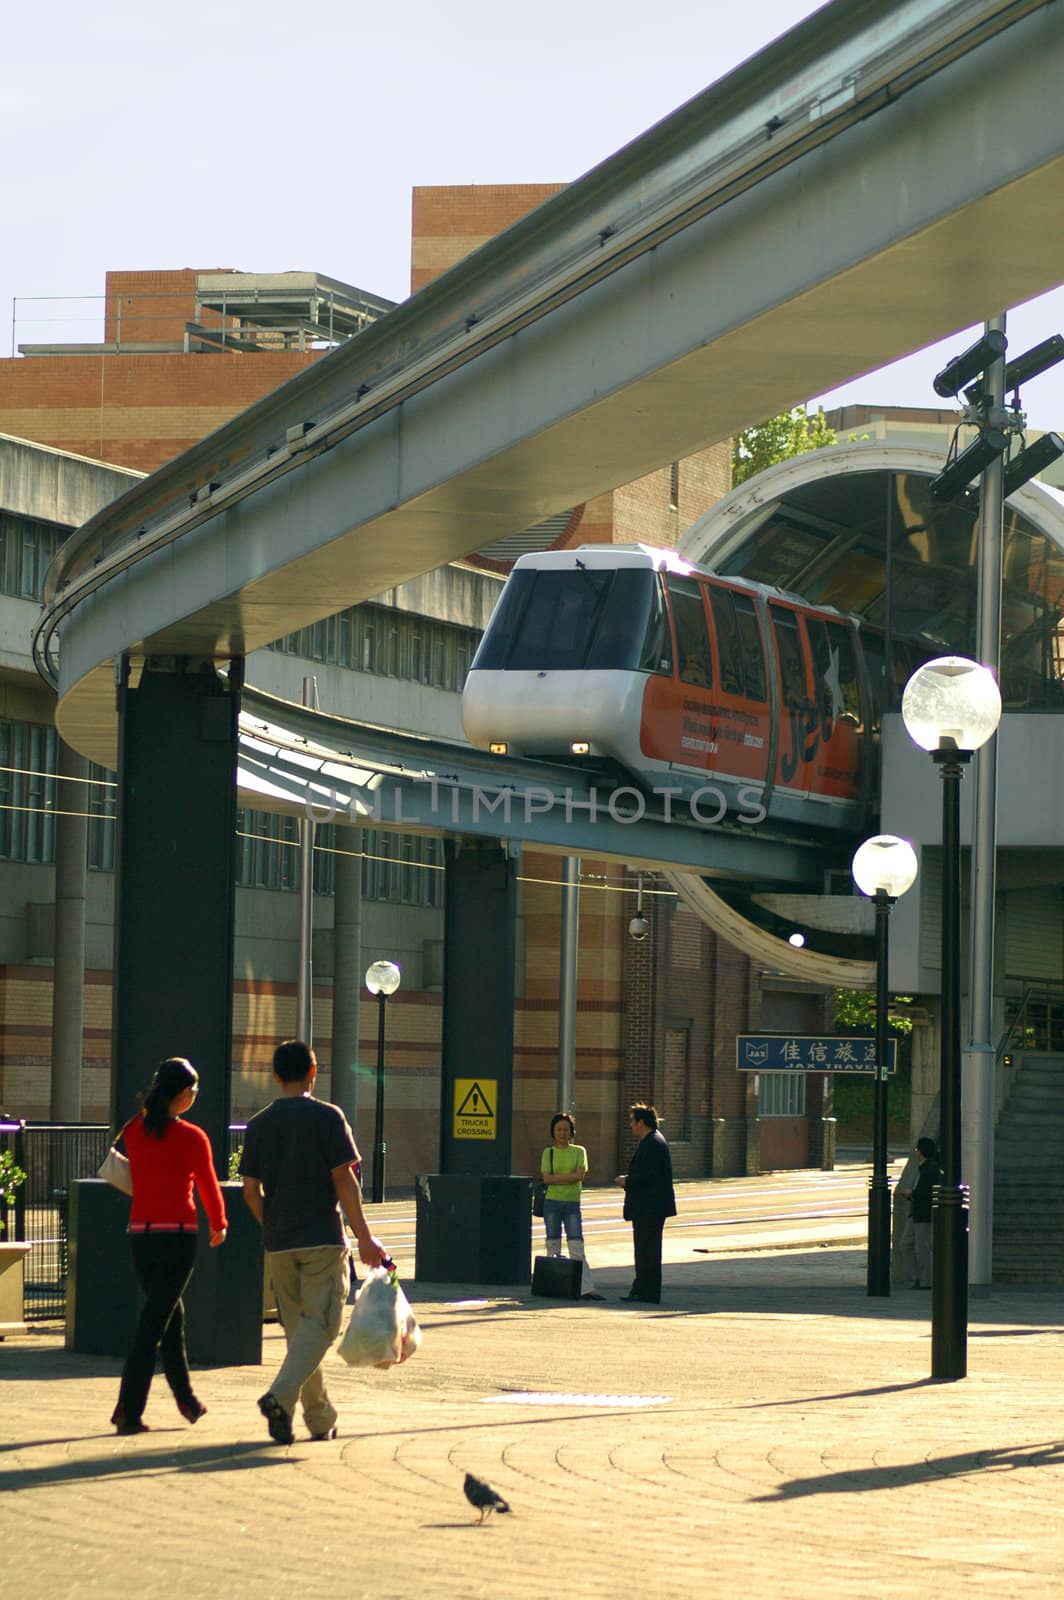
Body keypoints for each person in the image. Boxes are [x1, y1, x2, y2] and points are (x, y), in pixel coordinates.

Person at [240, 1039, 387, 1445]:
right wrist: (365, 1238)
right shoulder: (328, 1117)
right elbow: (345, 1179)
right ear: (314, 1072)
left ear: (274, 1075)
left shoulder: (259, 1124)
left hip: (279, 1242)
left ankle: (317, 1419)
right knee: (321, 1327)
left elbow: (250, 1191)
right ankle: (278, 1396)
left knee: (299, 1334)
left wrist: (269, 1224)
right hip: (321, 1237)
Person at [111, 1057, 228, 1435]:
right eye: (193, 1089)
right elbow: (209, 1185)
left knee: (168, 1319)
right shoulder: (193, 1137)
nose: (196, 1095)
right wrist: (219, 1223)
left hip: (140, 1237)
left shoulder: (133, 1129)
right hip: (178, 1236)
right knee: (152, 1326)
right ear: (180, 1094)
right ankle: (128, 1408)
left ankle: (187, 1401)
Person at [613, 1103, 676, 1304]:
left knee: (647, 1250)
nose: (630, 1125)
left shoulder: (653, 1143)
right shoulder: (652, 1140)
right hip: (649, 1207)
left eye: (632, 1121)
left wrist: (627, 1181)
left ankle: (646, 1291)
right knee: (645, 1250)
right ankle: (642, 1288)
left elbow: (650, 1176)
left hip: (649, 1207)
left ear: (641, 1122)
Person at [540, 1112, 602, 1300]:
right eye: (558, 1129)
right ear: (553, 1131)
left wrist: (557, 1179)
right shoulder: (548, 1152)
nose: (562, 1133)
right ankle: (553, 1286)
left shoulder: (579, 1151)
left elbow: (579, 1176)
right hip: (552, 1203)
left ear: (572, 1131)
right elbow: (546, 1178)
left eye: (566, 1129)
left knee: (576, 1245)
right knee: (553, 1245)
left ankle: (586, 1288)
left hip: (572, 1204)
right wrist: (569, 1177)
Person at [900, 1135, 942, 1289]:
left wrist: (911, 1193)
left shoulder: (930, 1169)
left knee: (922, 1246)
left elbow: (925, 1192)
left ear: (921, 1152)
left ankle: (925, 1279)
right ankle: (917, 1276)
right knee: (906, 1244)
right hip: (916, 1212)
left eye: (917, 1149)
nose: (916, 1152)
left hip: (923, 1212)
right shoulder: (923, 1168)